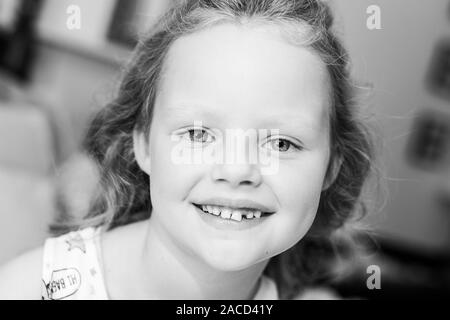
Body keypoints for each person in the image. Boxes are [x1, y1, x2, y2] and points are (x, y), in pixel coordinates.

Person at [0, 0, 375, 300]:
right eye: (198, 134)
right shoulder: (28, 289)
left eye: (281, 143)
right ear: (143, 143)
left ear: (331, 167)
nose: (237, 168)